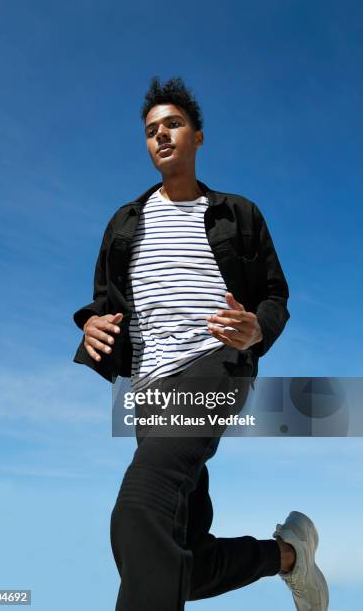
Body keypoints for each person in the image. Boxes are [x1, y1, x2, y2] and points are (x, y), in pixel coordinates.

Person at [72, 76, 329, 610]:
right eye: (150, 130)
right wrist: (91, 327)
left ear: (198, 137)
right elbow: (106, 303)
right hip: (148, 389)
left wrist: (258, 329)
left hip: (215, 365)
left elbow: (275, 295)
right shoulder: (125, 222)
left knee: (140, 509)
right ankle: (287, 556)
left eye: (173, 124)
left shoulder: (238, 213)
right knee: (179, 559)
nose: (161, 135)